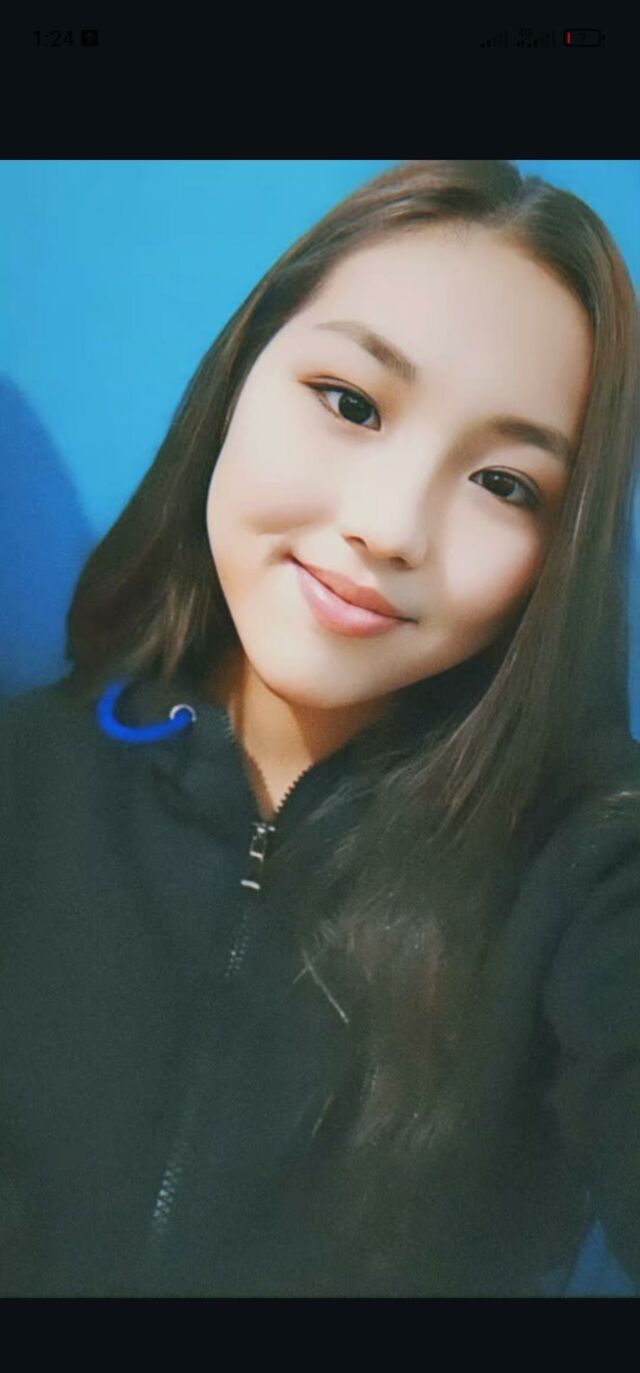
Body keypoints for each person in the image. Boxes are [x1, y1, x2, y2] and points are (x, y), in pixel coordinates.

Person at [1, 159, 639, 1297]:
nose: (390, 527)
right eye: (350, 403)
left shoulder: (588, 871)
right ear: (238, 378)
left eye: (504, 484)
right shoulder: (23, 781)